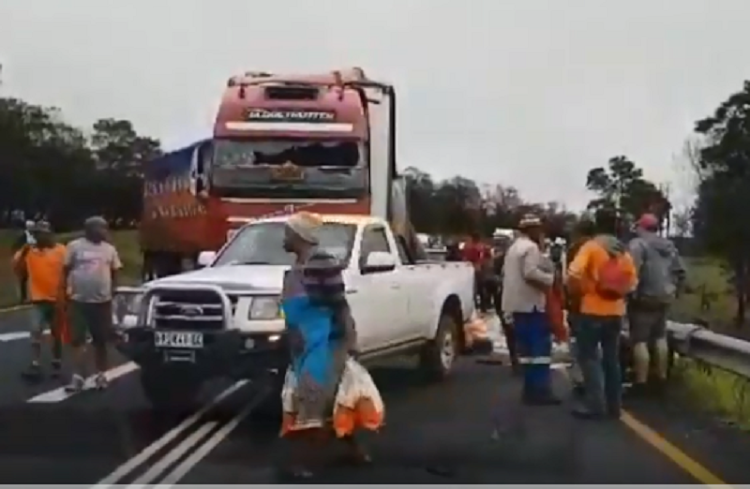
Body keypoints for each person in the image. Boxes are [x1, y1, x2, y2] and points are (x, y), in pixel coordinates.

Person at [279, 212, 383, 479]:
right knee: (331, 398)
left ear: (300, 237)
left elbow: (338, 304)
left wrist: (348, 339)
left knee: (313, 402)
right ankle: (355, 452)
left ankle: (301, 462)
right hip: (306, 344)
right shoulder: (296, 268)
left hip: (325, 344)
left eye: (288, 232)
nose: (284, 237)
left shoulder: (321, 263)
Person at [566, 209, 637, 420]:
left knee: (589, 358)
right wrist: (618, 293)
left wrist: (579, 291)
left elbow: (573, 273)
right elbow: (633, 282)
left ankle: (595, 405)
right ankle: (615, 407)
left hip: (591, 311)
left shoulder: (591, 247)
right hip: (616, 312)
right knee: (611, 359)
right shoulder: (622, 251)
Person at [501, 214, 558, 405]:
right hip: (531, 305)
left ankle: (529, 389)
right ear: (532, 230)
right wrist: (551, 280)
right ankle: (540, 391)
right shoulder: (531, 248)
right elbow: (530, 273)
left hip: (516, 305)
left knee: (525, 351)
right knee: (539, 351)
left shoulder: (514, 248)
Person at [627, 213, 686, 396]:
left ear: (642, 227)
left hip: (644, 298)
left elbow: (631, 272)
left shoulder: (638, 245)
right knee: (660, 337)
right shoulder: (670, 246)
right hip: (665, 297)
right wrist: (674, 290)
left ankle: (641, 383)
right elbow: (681, 272)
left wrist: (630, 294)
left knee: (640, 340)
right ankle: (661, 380)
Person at [62, 216, 123, 392]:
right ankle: (78, 377)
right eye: (101, 228)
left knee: (101, 340)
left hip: (102, 301)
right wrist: (63, 291)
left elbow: (115, 271)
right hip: (79, 300)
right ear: (89, 229)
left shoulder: (109, 249)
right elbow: (65, 270)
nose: (105, 231)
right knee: (77, 340)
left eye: (105, 228)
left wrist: (114, 291)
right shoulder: (74, 246)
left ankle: (101, 375)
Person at [13, 222, 67, 380]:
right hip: (37, 298)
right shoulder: (29, 251)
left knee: (57, 333)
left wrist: (67, 295)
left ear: (49, 234)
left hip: (58, 299)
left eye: (41, 233)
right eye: (36, 233)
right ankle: (35, 364)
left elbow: (69, 270)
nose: (38, 236)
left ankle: (56, 362)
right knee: (35, 330)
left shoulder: (61, 250)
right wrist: (25, 248)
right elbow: (17, 267)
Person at [565, 217, 596, 397]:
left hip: (580, 303)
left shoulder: (576, 249)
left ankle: (581, 380)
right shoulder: (604, 248)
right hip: (606, 304)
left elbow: (570, 276)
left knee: (579, 344)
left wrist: (569, 300)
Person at [491, 236, 519, 374]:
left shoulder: (517, 259)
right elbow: (490, 278)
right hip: (503, 299)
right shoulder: (498, 260)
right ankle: (516, 360)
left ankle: (518, 359)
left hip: (514, 299)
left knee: (515, 331)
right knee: (510, 331)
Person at [463, 232, 492, 312]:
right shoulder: (482, 247)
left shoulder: (471, 248)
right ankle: (484, 306)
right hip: (480, 269)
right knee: (481, 288)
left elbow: (468, 258)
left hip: (473, 269)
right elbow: (488, 256)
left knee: (474, 289)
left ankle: (475, 306)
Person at [11, 220, 37, 303]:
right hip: (24, 258)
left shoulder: (36, 236)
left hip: (35, 258)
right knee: (23, 279)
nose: (32, 228)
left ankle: (35, 295)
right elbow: (16, 247)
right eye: (31, 227)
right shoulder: (23, 236)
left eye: (33, 227)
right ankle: (23, 297)